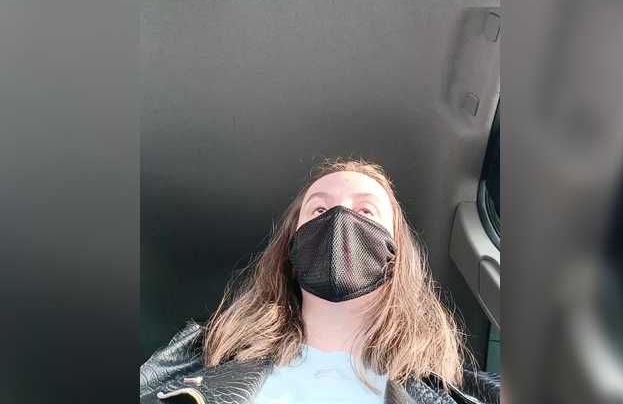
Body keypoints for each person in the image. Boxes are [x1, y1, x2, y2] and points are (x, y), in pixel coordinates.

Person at [140, 158, 500, 404]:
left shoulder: (465, 392)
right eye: (320, 209)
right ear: (291, 249)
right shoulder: (195, 358)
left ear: (397, 254)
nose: (340, 218)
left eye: (365, 211)